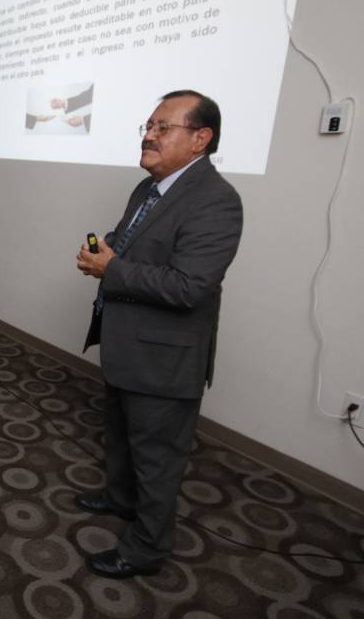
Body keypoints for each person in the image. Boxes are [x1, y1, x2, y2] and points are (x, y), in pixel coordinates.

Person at [75, 90, 243, 579]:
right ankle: (120, 498)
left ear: (200, 139)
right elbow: (127, 243)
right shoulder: (148, 188)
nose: (149, 135)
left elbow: (189, 286)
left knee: (157, 461)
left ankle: (145, 549)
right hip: (127, 345)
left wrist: (111, 268)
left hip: (164, 360)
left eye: (162, 128)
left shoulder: (217, 201)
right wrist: (103, 253)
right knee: (122, 437)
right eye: (148, 126)